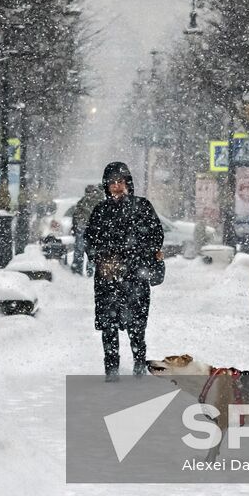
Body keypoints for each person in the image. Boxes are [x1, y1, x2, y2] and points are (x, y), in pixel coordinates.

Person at [85, 161, 164, 380]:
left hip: (135, 278)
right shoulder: (100, 211)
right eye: (112, 183)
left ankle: (139, 365)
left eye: (120, 182)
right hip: (108, 279)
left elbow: (156, 235)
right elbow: (89, 240)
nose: (117, 187)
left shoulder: (142, 207)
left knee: (137, 325)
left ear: (128, 183)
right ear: (106, 186)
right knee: (109, 326)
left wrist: (138, 255)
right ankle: (111, 369)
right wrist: (101, 259)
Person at [70, 183, 104, 276]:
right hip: (89, 228)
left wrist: (75, 226)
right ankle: (87, 269)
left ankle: (79, 268)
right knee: (88, 249)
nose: (89, 193)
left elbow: (76, 214)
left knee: (82, 249)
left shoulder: (85, 201)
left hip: (86, 227)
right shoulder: (97, 200)